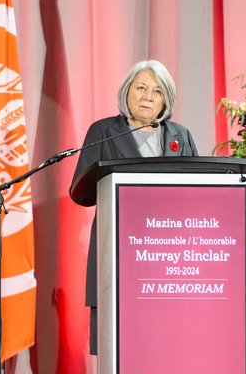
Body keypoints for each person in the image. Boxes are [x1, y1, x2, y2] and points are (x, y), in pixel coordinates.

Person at [70, 60, 199, 352]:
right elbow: (82, 190)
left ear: (166, 100)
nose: (148, 96)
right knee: (122, 348)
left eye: (157, 90)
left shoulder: (181, 135)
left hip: (169, 257)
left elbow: (197, 193)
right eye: (141, 87)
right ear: (127, 91)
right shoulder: (103, 131)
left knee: (167, 347)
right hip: (119, 251)